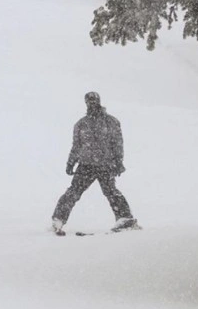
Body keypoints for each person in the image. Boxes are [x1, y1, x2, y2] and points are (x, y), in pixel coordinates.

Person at [52, 92, 139, 235]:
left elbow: (117, 143)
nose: (91, 103)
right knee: (73, 192)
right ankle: (58, 219)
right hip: (86, 165)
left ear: (98, 101)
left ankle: (125, 218)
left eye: (94, 100)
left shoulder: (111, 122)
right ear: (86, 102)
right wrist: (71, 162)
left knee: (111, 192)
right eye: (89, 101)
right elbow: (76, 146)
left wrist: (118, 162)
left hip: (105, 164)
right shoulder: (81, 124)